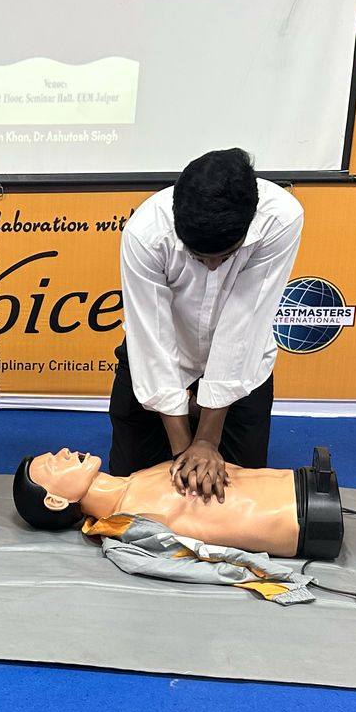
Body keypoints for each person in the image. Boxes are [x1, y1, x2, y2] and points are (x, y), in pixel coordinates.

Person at [112, 147, 304, 500]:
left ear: (249, 221)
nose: (213, 266)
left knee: (242, 496)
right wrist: (184, 453)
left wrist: (207, 441)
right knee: (129, 492)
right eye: (199, 257)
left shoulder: (280, 219)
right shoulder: (145, 233)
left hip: (242, 365)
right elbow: (151, 340)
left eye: (226, 256)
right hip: (160, 360)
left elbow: (243, 325)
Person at [13, 446, 343, 560]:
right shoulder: (135, 518)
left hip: (303, 485)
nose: (64, 452)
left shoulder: (134, 482)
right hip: (305, 519)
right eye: (54, 464)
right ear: (55, 501)